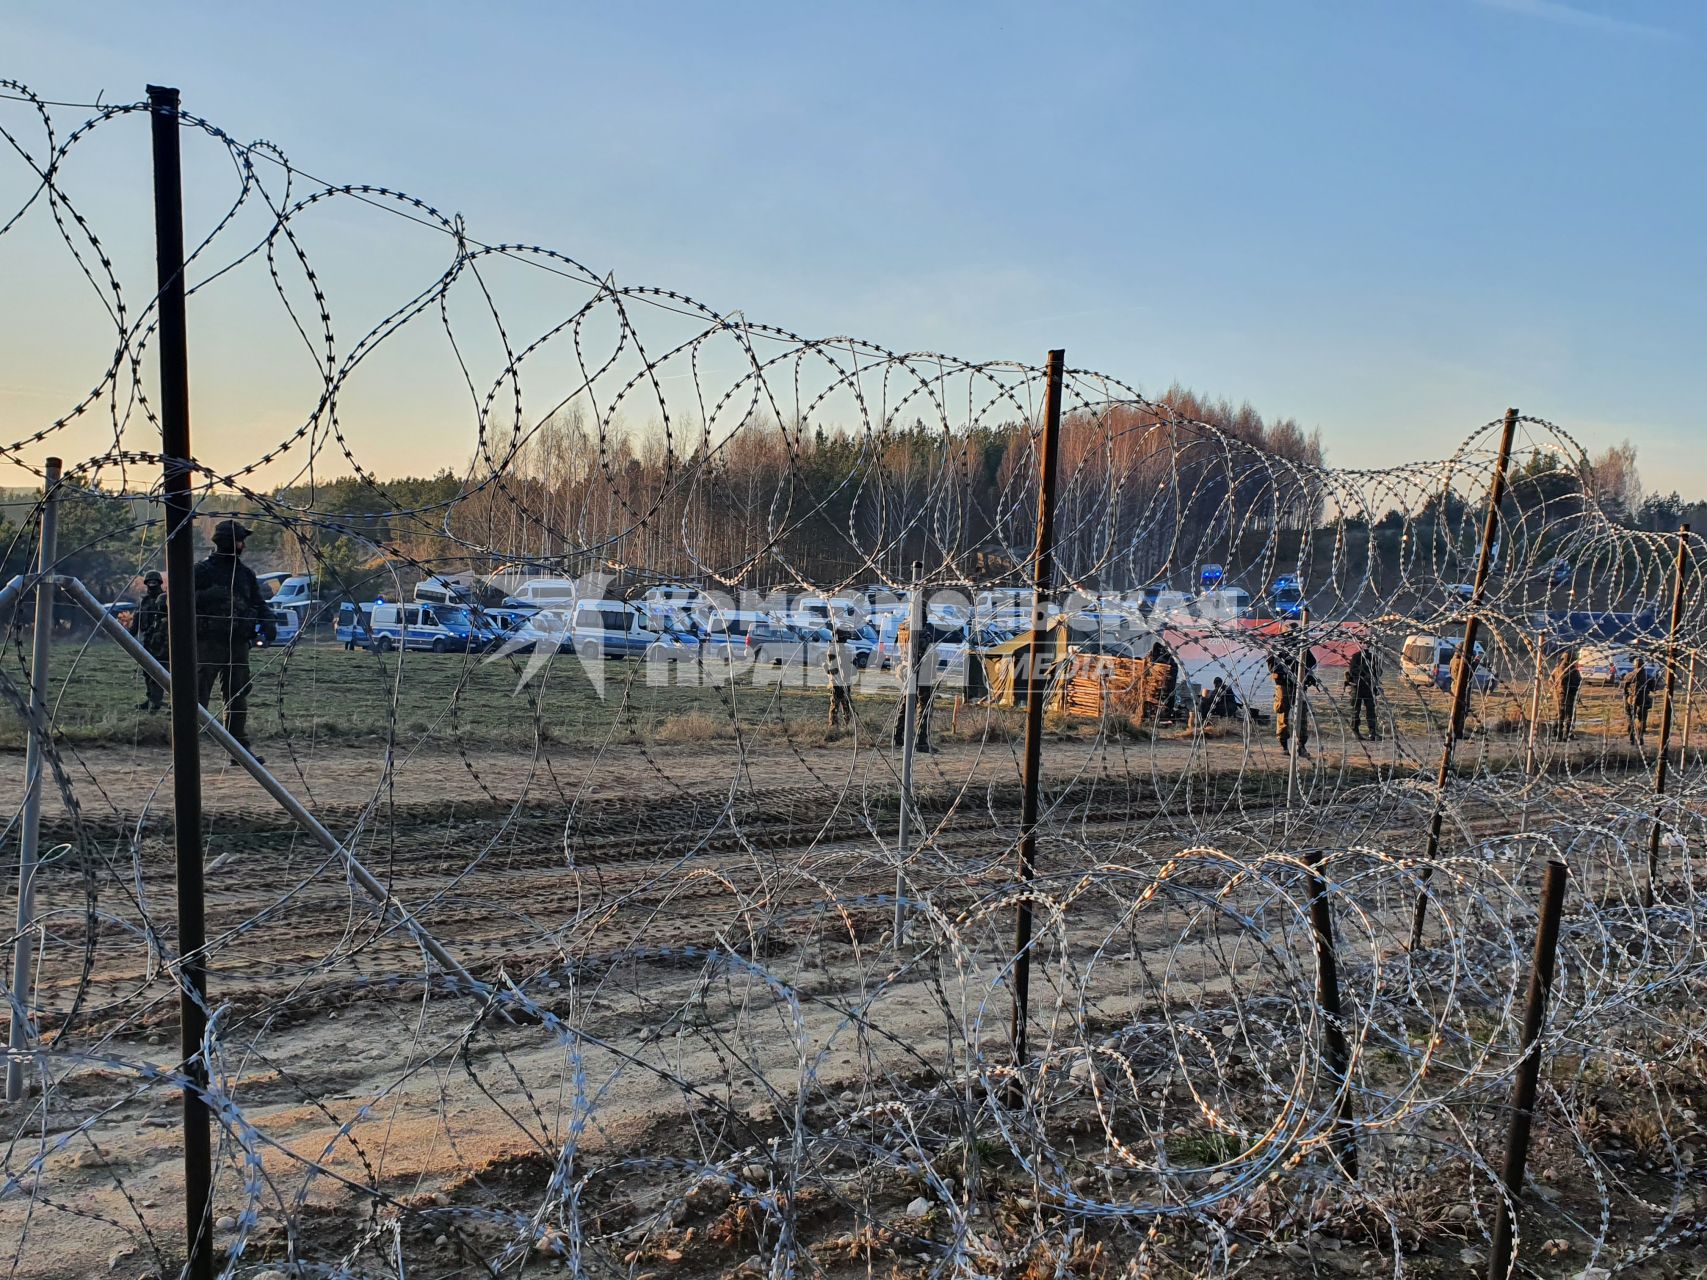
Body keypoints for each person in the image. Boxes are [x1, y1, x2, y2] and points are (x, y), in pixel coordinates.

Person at [193, 518, 275, 762]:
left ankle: (238, 749)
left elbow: (258, 603)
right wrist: (209, 595)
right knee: (198, 696)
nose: (243, 546)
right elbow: (176, 601)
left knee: (237, 695)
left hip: (238, 642)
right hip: (208, 642)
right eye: (240, 541)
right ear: (230, 543)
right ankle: (188, 746)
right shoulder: (202, 571)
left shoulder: (245, 574)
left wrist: (268, 620)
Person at [1268, 628, 1318, 759]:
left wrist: (1306, 675)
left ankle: (1301, 746)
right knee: (1283, 714)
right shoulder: (1278, 646)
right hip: (1284, 685)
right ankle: (1283, 745)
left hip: (1298, 685)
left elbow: (1312, 662)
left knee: (1301, 716)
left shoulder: (1300, 646)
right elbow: (1271, 665)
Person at [889, 619, 934, 753]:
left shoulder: (903, 627)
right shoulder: (918, 628)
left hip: (905, 668)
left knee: (907, 703)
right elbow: (924, 649)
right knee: (924, 705)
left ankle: (898, 736)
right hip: (920, 669)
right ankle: (921, 741)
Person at [129, 570, 170, 710]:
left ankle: (157, 703)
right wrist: (129, 635)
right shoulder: (144, 601)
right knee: (148, 672)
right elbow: (137, 620)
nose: (152, 584)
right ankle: (151, 699)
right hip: (148, 641)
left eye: (155, 582)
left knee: (160, 673)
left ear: (160, 583)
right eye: (150, 582)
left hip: (164, 642)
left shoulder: (166, 599)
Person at [1344, 644, 1381, 741]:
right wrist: (1364, 673)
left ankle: (1372, 732)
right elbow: (1352, 671)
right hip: (1358, 687)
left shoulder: (1372, 657)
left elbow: (1379, 672)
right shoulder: (1357, 657)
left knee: (1370, 710)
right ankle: (1356, 732)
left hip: (1367, 687)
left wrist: (1371, 675)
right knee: (1356, 710)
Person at [824, 630, 856, 731]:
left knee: (847, 704)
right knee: (835, 705)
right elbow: (832, 667)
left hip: (846, 680)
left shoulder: (846, 649)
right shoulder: (833, 650)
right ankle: (833, 727)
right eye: (843, 637)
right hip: (836, 682)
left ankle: (849, 726)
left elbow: (851, 666)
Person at [1552, 645, 1582, 741]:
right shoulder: (1570, 669)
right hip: (1567, 694)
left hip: (1561, 694)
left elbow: (1551, 680)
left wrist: (1555, 690)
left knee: (1561, 715)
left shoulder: (1558, 668)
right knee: (1567, 715)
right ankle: (1564, 735)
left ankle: (1559, 734)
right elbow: (1578, 681)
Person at [1623, 662, 1656, 746]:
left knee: (1630, 716)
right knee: (1642, 719)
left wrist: (1626, 701)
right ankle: (1640, 736)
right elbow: (1653, 689)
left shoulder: (1629, 676)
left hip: (1631, 699)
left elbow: (1625, 691)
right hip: (1644, 700)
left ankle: (1631, 736)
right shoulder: (1649, 677)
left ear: (1634, 665)